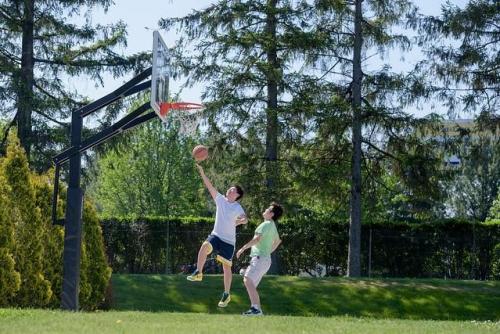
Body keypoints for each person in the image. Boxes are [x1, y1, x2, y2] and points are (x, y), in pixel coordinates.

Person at [187, 164, 248, 308]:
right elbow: (209, 186)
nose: (229, 189)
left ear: (237, 195)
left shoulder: (237, 207)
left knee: (227, 268)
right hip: (216, 236)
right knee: (204, 246)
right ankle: (198, 272)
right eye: (230, 188)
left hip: (228, 242)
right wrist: (202, 172)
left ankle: (226, 294)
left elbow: (244, 218)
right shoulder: (220, 199)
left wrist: (242, 220)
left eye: (233, 190)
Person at [236, 202, 283, 316]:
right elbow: (277, 241)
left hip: (260, 259)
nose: (265, 209)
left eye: (268, 209)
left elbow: (257, 239)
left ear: (271, 214)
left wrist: (242, 248)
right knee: (249, 282)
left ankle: (256, 310)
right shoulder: (272, 225)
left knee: (247, 280)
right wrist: (267, 252)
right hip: (265, 260)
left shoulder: (265, 224)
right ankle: (255, 309)